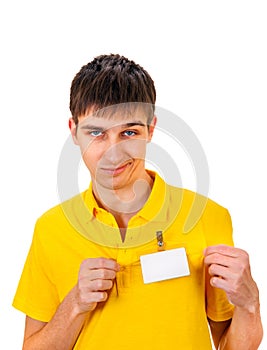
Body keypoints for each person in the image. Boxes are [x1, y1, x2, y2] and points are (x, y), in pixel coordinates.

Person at [13, 54, 263, 349]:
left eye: (129, 132)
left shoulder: (207, 216)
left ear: (151, 129)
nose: (113, 153)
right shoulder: (51, 229)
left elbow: (229, 345)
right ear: (73, 131)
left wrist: (250, 305)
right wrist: (75, 304)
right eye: (97, 133)